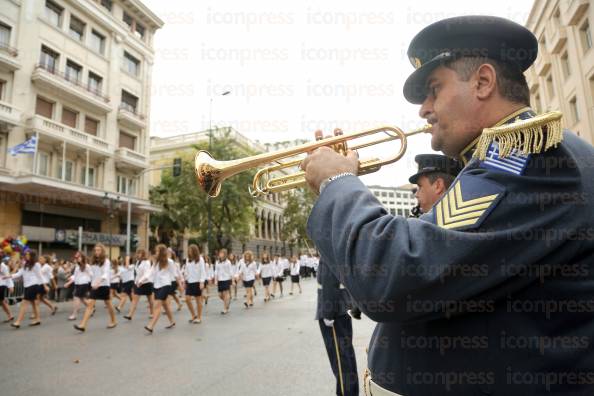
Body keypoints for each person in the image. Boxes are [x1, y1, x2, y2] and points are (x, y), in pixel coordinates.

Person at [301, 15, 594, 396]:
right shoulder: (505, 159)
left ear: (483, 82)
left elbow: (395, 273)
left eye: (434, 89)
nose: (424, 109)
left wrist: (337, 184)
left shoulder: (524, 154)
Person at [316, 257, 359, 396]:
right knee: (346, 356)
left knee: (341, 360)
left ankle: (346, 393)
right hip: (341, 307)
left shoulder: (328, 251)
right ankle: (348, 392)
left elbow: (330, 284)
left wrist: (328, 313)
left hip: (335, 309)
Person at [74, 243, 117, 332]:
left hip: (104, 285)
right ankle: (83, 325)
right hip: (95, 286)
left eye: (99, 250)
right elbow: (90, 273)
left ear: (102, 251)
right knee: (90, 305)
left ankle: (113, 320)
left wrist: (99, 281)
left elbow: (105, 273)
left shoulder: (106, 261)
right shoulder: (93, 261)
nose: (97, 252)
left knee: (108, 304)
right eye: (95, 250)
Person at [143, 244, 184, 333]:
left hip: (166, 285)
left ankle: (151, 326)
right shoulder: (156, 262)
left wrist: (180, 285)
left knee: (157, 305)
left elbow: (175, 274)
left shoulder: (170, 262)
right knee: (165, 305)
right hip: (157, 285)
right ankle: (172, 321)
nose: (156, 252)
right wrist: (142, 280)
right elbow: (150, 273)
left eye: (157, 251)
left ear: (161, 252)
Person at [6, 250, 43, 328]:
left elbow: (40, 276)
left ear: (32, 256)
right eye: (26, 254)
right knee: (33, 304)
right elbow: (19, 273)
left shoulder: (36, 264)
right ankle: (38, 319)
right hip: (27, 286)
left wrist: (44, 286)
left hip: (33, 285)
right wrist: (9, 276)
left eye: (28, 254)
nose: (26, 256)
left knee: (24, 303)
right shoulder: (25, 264)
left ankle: (18, 322)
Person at [124, 248, 154, 321]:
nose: (138, 254)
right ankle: (130, 315)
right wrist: (127, 260)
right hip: (138, 283)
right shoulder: (137, 262)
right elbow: (129, 268)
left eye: (140, 253)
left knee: (150, 299)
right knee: (135, 299)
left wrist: (141, 281)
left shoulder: (146, 262)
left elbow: (147, 274)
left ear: (143, 254)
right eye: (138, 253)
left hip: (146, 283)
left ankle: (152, 313)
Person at [64, 252, 92, 321]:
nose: (77, 259)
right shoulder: (77, 266)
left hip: (84, 284)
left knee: (76, 298)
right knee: (82, 298)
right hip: (78, 284)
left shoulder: (87, 266)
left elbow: (91, 275)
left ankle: (74, 314)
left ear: (82, 258)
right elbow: (75, 276)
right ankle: (91, 308)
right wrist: (69, 281)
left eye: (78, 257)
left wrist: (91, 283)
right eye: (76, 258)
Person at [183, 244, 206, 323]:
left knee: (198, 300)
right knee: (187, 298)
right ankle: (193, 315)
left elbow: (203, 271)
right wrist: (185, 281)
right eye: (188, 250)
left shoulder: (200, 259)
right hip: (189, 282)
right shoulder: (187, 260)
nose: (189, 252)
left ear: (195, 251)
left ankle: (199, 317)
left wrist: (202, 282)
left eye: (191, 250)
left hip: (197, 282)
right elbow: (186, 271)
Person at [214, 249, 232, 315]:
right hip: (220, 280)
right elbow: (216, 271)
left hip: (226, 279)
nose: (220, 254)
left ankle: (225, 309)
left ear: (225, 254)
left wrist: (232, 280)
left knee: (225, 294)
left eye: (222, 253)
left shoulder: (228, 262)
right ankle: (227, 301)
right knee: (220, 295)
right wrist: (215, 280)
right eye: (220, 253)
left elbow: (230, 272)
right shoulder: (217, 262)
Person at [0, 257, 14, 322]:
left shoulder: (3, 266)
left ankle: (10, 314)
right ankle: (10, 315)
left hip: (1, 284)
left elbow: (8, 276)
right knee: (2, 301)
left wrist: (11, 286)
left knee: (2, 301)